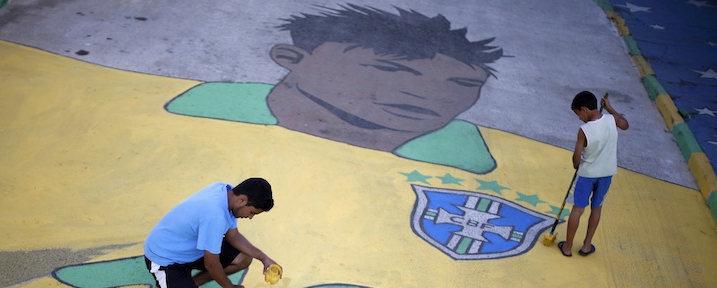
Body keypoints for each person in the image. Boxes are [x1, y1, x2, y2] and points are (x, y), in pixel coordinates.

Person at [165, 5, 503, 173]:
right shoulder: (207, 107)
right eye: (388, 68)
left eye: (463, 83)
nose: (429, 93)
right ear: (292, 58)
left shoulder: (463, 155)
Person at [143, 178, 279, 288]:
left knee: (243, 258)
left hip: (192, 247)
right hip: (166, 258)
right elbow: (211, 264)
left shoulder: (225, 191)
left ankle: (191, 285)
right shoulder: (214, 216)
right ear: (242, 200)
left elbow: (233, 235)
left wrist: (264, 258)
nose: (250, 217)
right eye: (252, 212)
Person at [559, 91, 629, 257]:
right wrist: (611, 108)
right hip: (606, 173)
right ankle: (586, 246)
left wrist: (576, 164)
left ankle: (567, 247)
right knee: (596, 208)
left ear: (584, 109)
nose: (578, 118)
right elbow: (625, 124)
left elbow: (576, 157)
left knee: (578, 209)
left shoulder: (584, 130)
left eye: (578, 114)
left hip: (587, 174)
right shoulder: (612, 120)